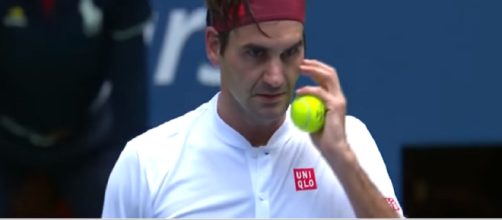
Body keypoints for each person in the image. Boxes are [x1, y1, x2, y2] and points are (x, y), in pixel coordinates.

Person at [102, 0, 404, 218]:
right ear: (213, 46)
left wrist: (341, 158)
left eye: (289, 53)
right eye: (255, 53)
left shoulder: (351, 142)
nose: (275, 77)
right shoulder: (145, 162)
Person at [0, 0, 150, 217]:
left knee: (127, 200)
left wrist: (129, 168)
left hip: (87, 145)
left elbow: (130, 88)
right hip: (5, 145)